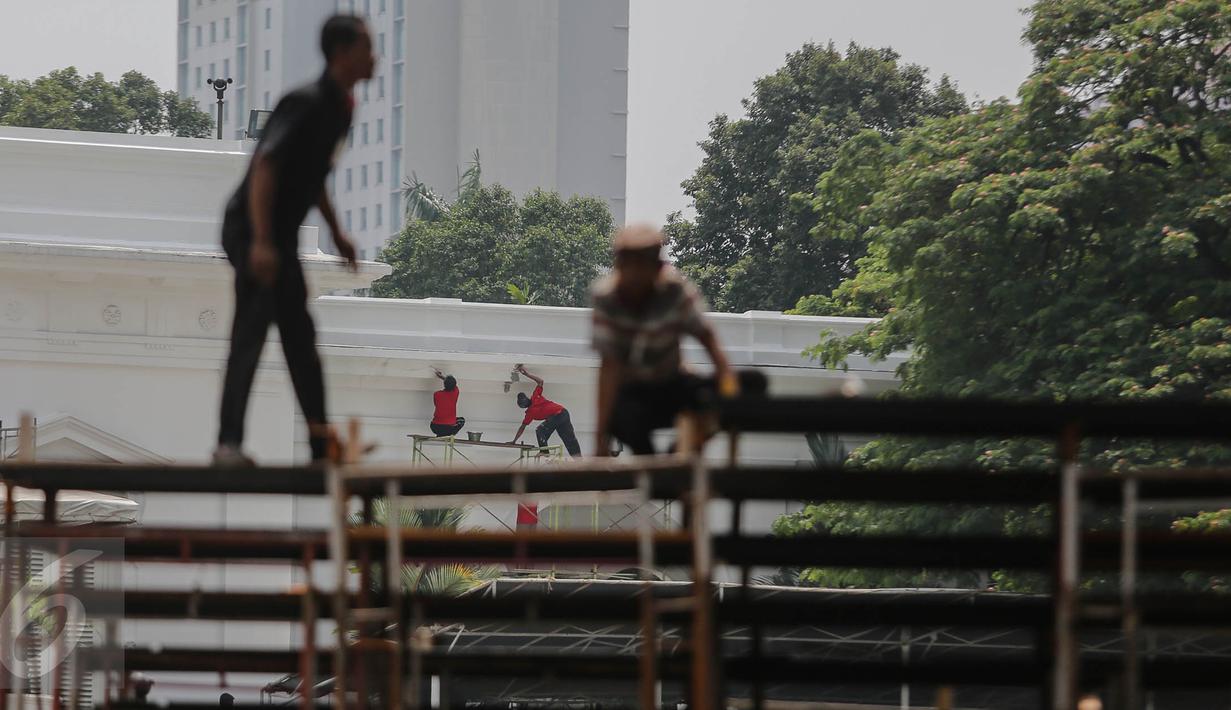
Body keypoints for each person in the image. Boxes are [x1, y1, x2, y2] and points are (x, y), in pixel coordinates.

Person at [213, 15, 375, 466]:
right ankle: (228, 446)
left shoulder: (342, 108)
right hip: (252, 229)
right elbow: (266, 166)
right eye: (367, 47)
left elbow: (315, 174)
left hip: (276, 236)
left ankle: (321, 446)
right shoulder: (305, 102)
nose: (374, 56)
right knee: (252, 329)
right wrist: (262, 242)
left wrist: (337, 230)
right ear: (343, 53)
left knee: (299, 338)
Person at [592, 224, 748, 456]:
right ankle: (652, 468)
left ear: (657, 268)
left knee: (751, 384)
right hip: (634, 394)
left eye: (641, 270)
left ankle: (681, 453)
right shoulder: (607, 298)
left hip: (673, 384)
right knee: (619, 417)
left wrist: (728, 395)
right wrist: (600, 438)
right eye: (629, 269)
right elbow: (609, 367)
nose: (635, 280)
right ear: (619, 267)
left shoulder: (675, 292)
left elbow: (710, 343)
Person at [507, 365, 582, 456]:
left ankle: (544, 452)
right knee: (568, 438)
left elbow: (540, 381)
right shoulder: (529, 414)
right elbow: (522, 427)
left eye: (523, 401)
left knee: (540, 430)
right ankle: (578, 459)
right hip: (562, 415)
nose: (523, 403)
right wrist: (514, 441)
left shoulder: (535, 397)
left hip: (560, 414)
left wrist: (527, 374)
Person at [430, 368, 465, 437]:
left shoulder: (436, 394)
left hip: (435, 427)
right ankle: (449, 434)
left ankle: (440, 434)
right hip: (449, 428)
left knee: (441, 422)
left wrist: (440, 376)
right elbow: (453, 385)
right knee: (461, 420)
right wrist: (442, 377)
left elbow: (436, 404)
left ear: (444, 384)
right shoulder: (455, 393)